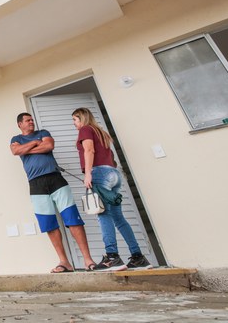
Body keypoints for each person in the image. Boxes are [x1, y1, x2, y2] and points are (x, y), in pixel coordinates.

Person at [10, 112, 97, 273]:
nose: (31, 122)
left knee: (73, 219)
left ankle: (87, 259)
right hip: (35, 184)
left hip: (55, 178)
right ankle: (64, 262)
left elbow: (48, 146)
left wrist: (27, 149)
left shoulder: (43, 133)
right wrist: (36, 144)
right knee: (49, 223)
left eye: (32, 120)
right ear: (20, 124)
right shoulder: (16, 139)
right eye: (27, 121)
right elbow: (16, 151)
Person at [72, 107, 153, 271]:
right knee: (119, 218)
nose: (74, 124)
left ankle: (112, 257)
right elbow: (111, 158)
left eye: (75, 119)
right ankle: (138, 258)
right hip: (113, 174)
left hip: (100, 174)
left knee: (103, 215)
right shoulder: (101, 132)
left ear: (82, 118)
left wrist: (88, 173)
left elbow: (89, 150)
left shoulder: (86, 130)